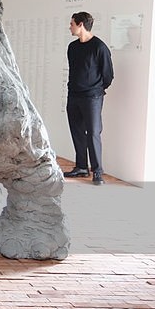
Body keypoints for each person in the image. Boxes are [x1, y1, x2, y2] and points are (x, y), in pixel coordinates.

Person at [64, 12, 114, 185]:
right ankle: (81, 167)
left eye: (71, 23)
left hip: (92, 97)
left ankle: (97, 171)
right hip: (74, 96)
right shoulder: (72, 47)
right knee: (77, 131)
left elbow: (108, 75)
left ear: (80, 25)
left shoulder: (99, 47)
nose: (69, 26)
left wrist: (96, 90)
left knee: (93, 133)